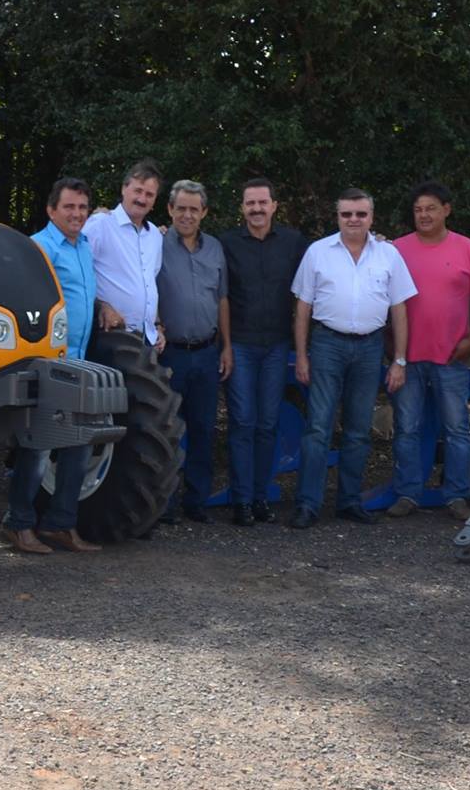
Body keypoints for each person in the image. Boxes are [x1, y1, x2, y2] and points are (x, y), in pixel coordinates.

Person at [290, 189, 415, 528]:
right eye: (347, 214)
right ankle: (307, 504)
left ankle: (348, 502)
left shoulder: (389, 255)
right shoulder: (318, 252)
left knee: (359, 429)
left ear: (371, 217)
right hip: (327, 344)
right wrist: (302, 355)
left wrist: (399, 360)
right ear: (338, 217)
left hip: (370, 347)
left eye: (360, 214)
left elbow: (399, 310)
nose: (353, 220)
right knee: (318, 427)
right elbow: (303, 308)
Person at [5, 177, 105, 554]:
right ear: (51, 210)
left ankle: (60, 525)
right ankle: (18, 524)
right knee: (39, 447)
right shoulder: (39, 247)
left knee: (79, 443)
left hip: (80, 362)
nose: (76, 214)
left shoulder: (84, 246)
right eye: (69, 207)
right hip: (48, 363)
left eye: (82, 207)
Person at [387, 180, 470, 521]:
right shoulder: (396, 249)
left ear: (446, 210)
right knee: (406, 427)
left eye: (431, 208)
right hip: (407, 356)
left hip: (451, 355)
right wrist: (391, 347)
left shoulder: (467, 248)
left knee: (457, 429)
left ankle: (457, 496)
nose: (424, 215)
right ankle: (407, 493)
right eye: (418, 210)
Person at [220, 178, 308, 526]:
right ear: (242, 208)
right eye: (250, 203)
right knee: (243, 422)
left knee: (268, 424)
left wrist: (375, 242)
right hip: (240, 344)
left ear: (274, 206)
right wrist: (226, 346)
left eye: (262, 203)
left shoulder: (294, 242)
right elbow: (221, 297)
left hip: (276, 345)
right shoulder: (226, 244)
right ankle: (241, 501)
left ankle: (260, 497)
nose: (256, 209)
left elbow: (323, 270)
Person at [156, 179, 229, 523]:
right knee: (167, 430)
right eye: (181, 208)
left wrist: (226, 347)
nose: (187, 215)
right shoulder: (154, 244)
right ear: (170, 209)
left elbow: (222, 299)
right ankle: (165, 503)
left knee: (203, 429)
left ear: (204, 213)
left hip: (207, 352)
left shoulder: (215, 248)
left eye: (194, 209)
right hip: (169, 353)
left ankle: (196, 502)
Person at [83, 160, 166, 347]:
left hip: (147, 340)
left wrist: (156, 326)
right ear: (124, 189)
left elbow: (148, 284)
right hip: (111, 334)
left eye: (149, 194)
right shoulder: (100, 224)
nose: (142, 199)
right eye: (138, 191)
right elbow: (78, 273)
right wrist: (100, 305)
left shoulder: (155, 235)